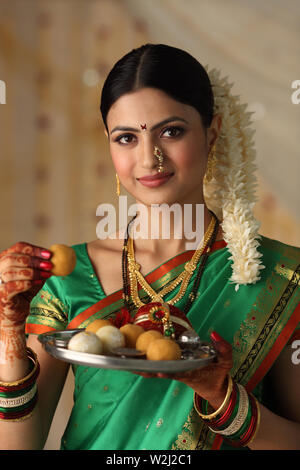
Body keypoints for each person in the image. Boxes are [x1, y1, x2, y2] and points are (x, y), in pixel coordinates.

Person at [0, 43, 299, 450]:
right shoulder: (67, 279)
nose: (149, 158)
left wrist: (223, 399)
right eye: (126, 138)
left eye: (171, 131)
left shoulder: (280, 274)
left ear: (212, 133)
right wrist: (9, 329)